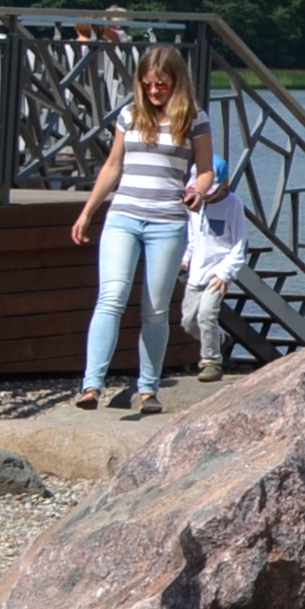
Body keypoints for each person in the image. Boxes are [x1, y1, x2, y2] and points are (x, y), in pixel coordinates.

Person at [70, 44, 216, 415]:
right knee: (112, 297)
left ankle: (148, 388)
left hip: (167, 221)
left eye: (162, 85)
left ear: (176, 83)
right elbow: (113, 166)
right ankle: (92, 385)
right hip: (123, 216)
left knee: (153, 309)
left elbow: (205, 170)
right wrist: (88, 211)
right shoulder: (129, 115)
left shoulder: (194, 119)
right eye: (148, 84)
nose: (154, 92)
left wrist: (198, 192)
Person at [181, 170, 250, 381]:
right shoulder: (195, 204)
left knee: (206, 315)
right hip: (197, 271)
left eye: (211, 191)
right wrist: (185, 259)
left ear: (225, 183)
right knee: (188, 322)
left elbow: (240, 245)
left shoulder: (233, 205)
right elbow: (193, 237)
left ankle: (211, 362)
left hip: (219, 270)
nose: (207, 195)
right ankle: (220, 339)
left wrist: (225, 273)